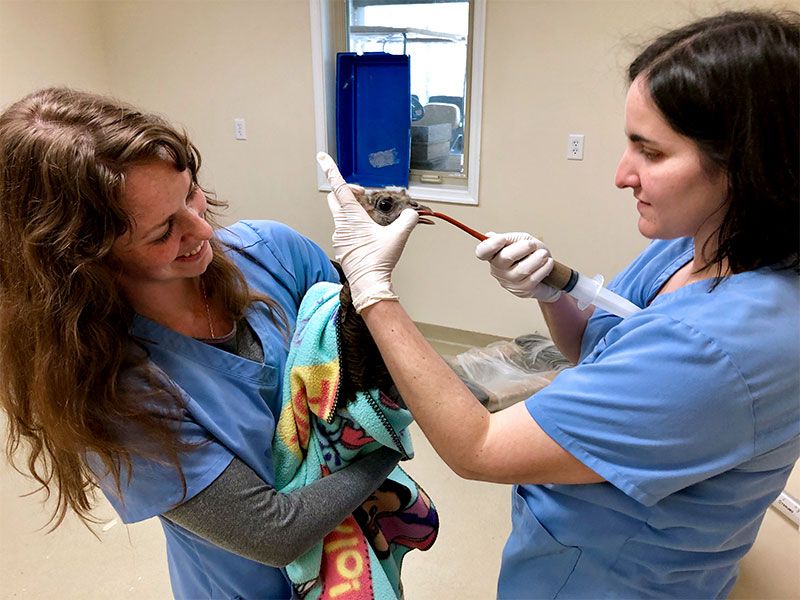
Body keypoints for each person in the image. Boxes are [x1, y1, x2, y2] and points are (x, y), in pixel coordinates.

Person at [320, 9, 799, 598]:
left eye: (651, 153)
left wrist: (372, 290)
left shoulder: (721, 351)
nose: (623, 175)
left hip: (609, 578)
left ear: (747, 165)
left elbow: (479, 447)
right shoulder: (695, 243)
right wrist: (554, 292)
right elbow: (601, 345)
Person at [0, 87, 402, 599]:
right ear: (84, 259)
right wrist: (389, 444)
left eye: (190, 193)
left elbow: (364, 360)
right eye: (163, 230)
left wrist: (371, 287)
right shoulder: (110, 389)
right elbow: (274, 532)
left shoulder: (273, 252)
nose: (202, 229)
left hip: (360, 556)